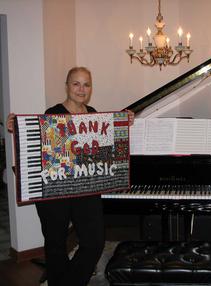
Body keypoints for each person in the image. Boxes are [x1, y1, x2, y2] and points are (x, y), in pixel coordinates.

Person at [6, 66, 134, 286]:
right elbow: (38, 146)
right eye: (76, 83)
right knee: (55, 244)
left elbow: (105, 152)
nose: (81, 89)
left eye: (86, 84)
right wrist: (15, 127)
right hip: (55, 191)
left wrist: (123, 123)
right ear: (67, 86)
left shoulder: (94, 114)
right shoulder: (52, 113)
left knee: (94, 242)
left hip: (85, 188)